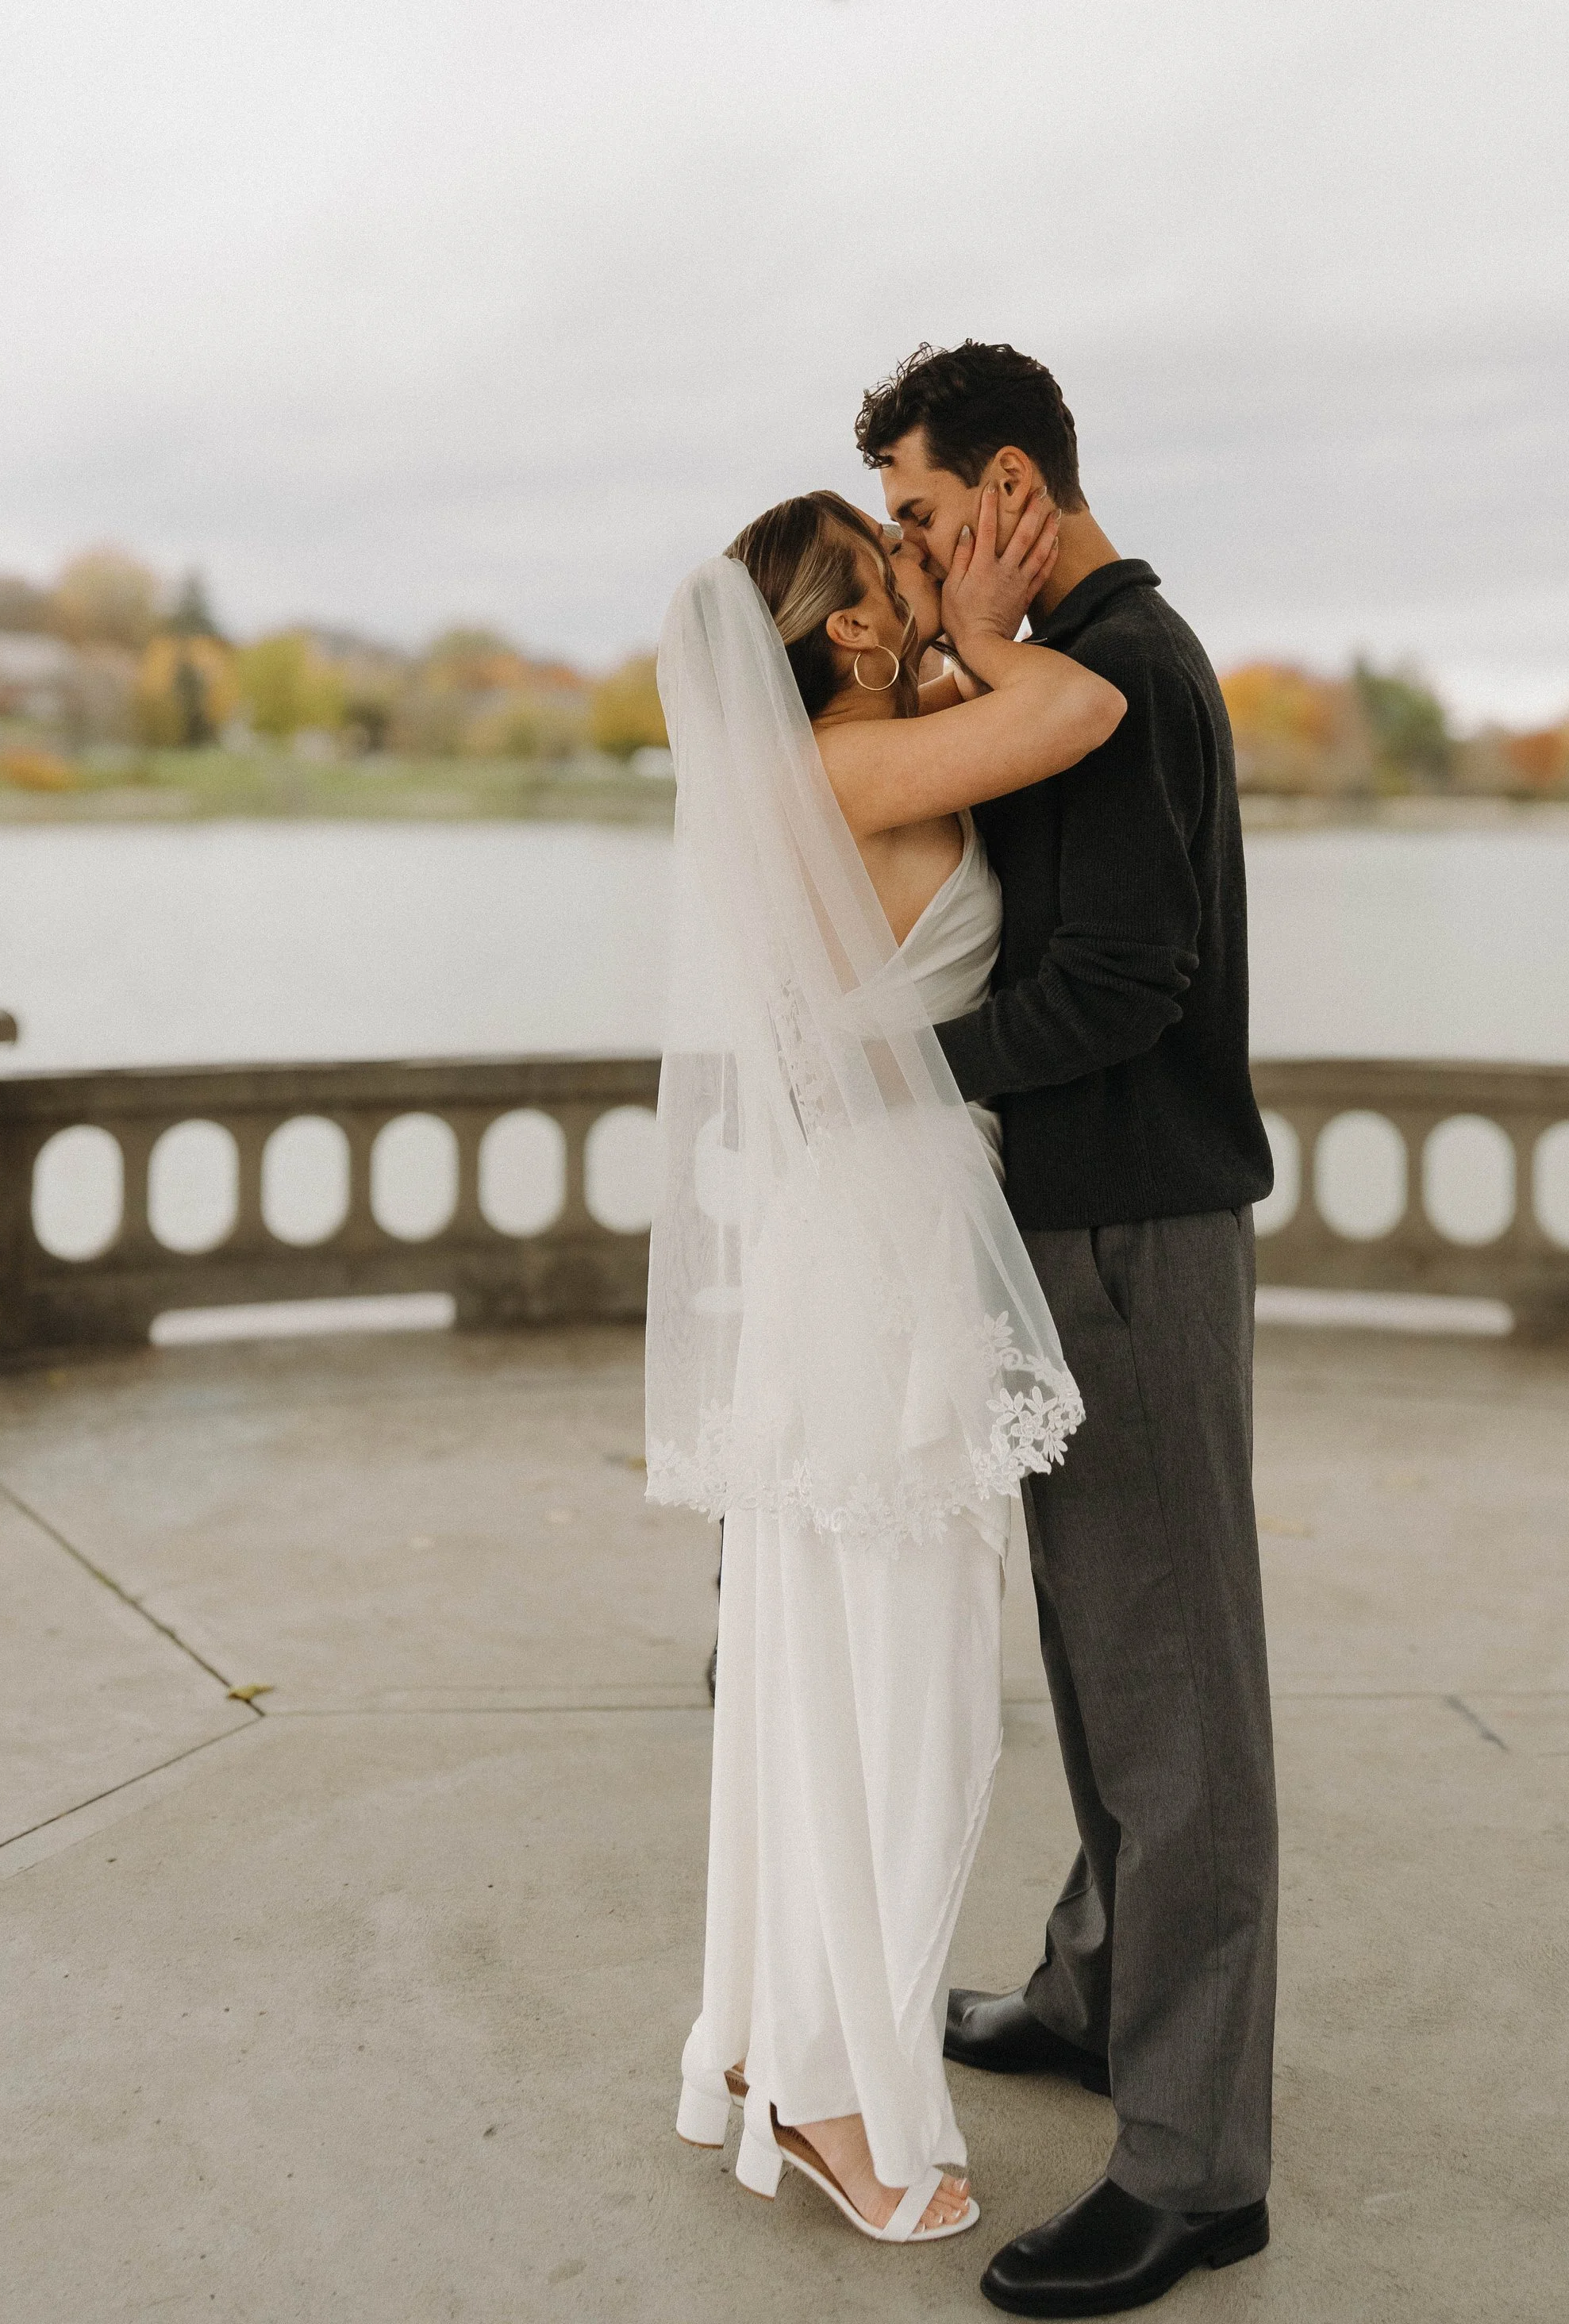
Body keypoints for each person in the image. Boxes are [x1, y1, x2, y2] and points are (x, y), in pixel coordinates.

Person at [856, 341, 1279, 2317]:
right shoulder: (1067, 660)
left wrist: (902, 1077)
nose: (919, 561)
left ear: (1012, 485)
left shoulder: (1134, 670)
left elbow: (1116, 982)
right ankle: (1093, 1989)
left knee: (1174, 1695)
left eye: (931, 519)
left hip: (1131, 1234)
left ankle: (1195, 2170)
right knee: (1102, 1657)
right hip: (1070, 1227)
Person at [648, 487, 1122, 2244]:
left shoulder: (845, 757)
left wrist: (938, 635)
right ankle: (838, 2093)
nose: (943, 576)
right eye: (907, 564)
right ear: (846, 627)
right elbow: (1079, 712)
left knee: (822, 1676)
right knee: (904, 1699)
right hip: (886, 1255)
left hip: (850, 1241)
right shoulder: (848, 771)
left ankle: (779, 2052)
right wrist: (993, 635)